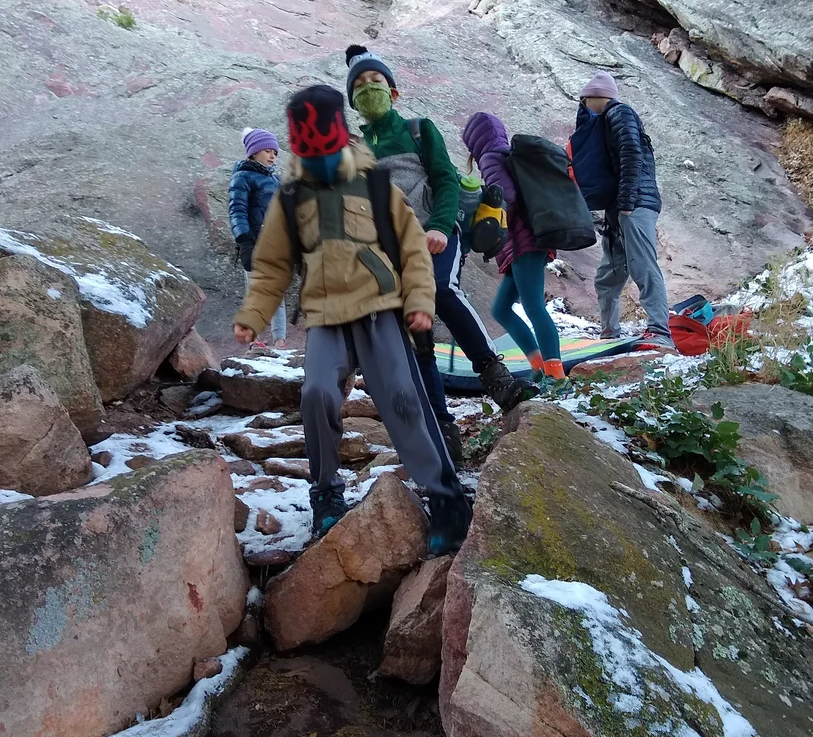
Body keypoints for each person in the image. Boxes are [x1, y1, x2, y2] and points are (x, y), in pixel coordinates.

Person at [233, 83, 471, 553]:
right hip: (325, 315)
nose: (320, 160)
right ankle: (325, 493)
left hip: (380, 308)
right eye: (310, 151)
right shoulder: (290, 198)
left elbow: (413, 251)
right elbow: (273, 265)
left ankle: (445, 498)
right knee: (317, 393)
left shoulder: (376, 185)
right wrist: (254, 315)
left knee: (404, 399)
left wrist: (420, 302)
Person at [345, 45, 536, 444]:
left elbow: (446, 179)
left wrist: (442, 227)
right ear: (353, 102)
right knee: (414, 329)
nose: (368, 89)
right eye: (359, 86)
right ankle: (439, 424)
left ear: (393, 91)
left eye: (375, 81)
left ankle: (495, 377)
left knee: (440, 289)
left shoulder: (419, 129)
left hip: (435, 231)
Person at [462, 110, 572, 397]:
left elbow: (506, 197)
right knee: (501, 308)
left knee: (534, 306)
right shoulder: (506, 155)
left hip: (525, 242)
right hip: (523, 243)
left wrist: (486, 216)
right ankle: (539, 367)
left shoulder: (490, 157)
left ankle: (556, 375)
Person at [573, 72, 673, 350]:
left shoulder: (620, 113)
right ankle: (609, 333)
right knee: (609, 274)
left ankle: (660, 331)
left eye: (584, 100)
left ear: (595, 95)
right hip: (619, 208)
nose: (583, 105)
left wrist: (627, 202)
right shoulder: (608, 119)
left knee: (643, 266)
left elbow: (632, 154)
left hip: (636, 204)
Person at [228, 127, 286, 346]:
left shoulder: (277, 180)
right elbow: (237, 210)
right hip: (254, 243)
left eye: (275, 152)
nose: (272, 155)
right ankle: (255, 340)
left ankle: (280, 341)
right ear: (253, 152)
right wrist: (244, 240)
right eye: (268, 151)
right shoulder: (242, 177)